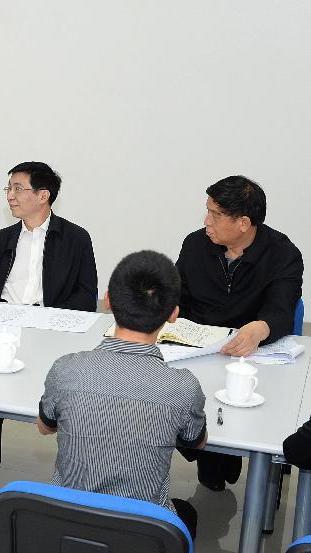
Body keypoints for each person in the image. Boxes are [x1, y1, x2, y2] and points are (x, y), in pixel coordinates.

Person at [0, 161, 98, 501]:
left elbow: (85, 295)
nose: (10, 196)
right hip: (0, 322)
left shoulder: (76, 238)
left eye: (17, 188)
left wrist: (49, 320)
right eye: (8, 188)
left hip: (48, 327)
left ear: (43, 195)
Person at [38, 250, 206, 539]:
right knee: (186, 514)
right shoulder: (183, 386)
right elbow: (196, 443)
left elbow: (44, 427)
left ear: (107, 301)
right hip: (140, 534)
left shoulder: (67, 369)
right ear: (174, 315)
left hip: (65, 526)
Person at [176, 176, 303, 491]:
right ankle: (211, 453)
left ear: (244, 223)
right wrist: (167, 305)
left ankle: (228, 460)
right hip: (200, 349)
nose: (206, 222)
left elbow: (282, 309)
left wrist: (261, 328)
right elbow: (179, 293)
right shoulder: (195, 244)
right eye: (207, 211)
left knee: (246, 403)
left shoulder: (282, 254)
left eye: (215, 215)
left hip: (253, 352)